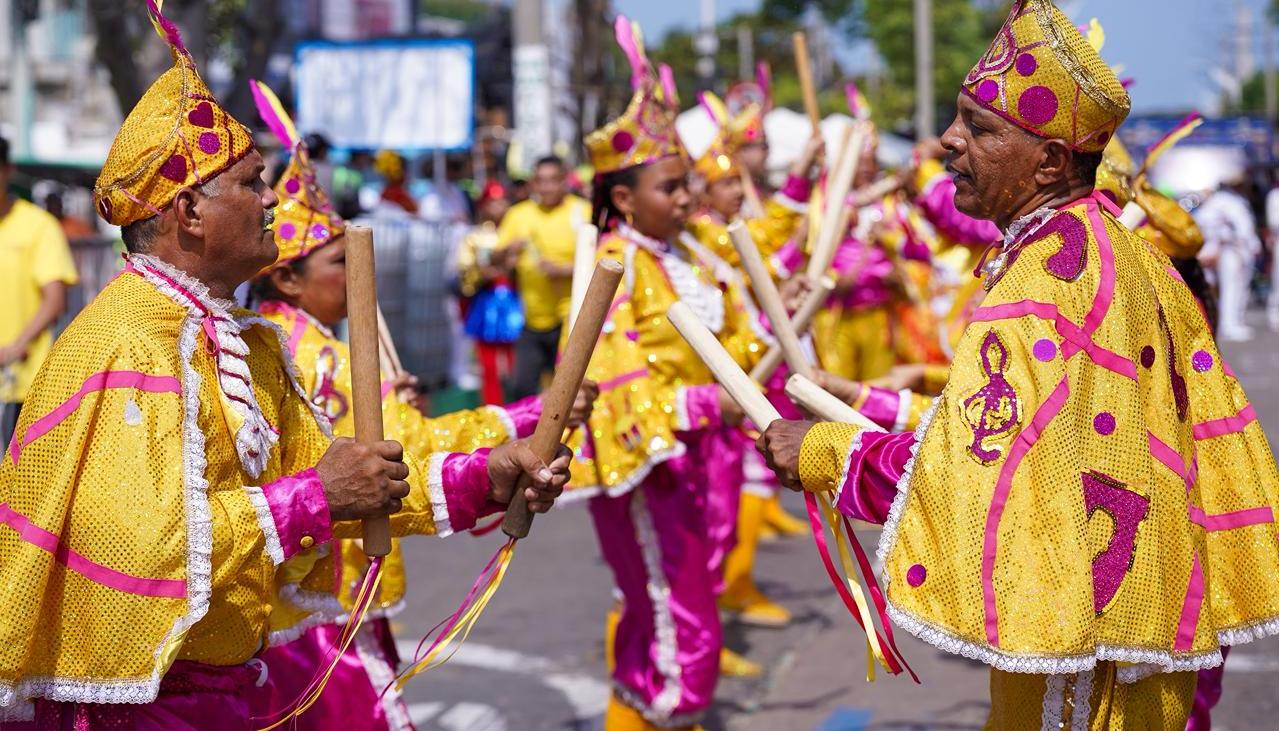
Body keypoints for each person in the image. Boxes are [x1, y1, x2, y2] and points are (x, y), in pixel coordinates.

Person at [0, 6, 569, 727]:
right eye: (251, 183)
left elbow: (347, 471)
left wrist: (486, 474)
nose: (271, 199)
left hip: (229, 687)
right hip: (138, 704)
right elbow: (140, 549)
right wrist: (311, 498)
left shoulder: (239, 337)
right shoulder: (131, 341)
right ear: (190, 212)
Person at [757, 1, 1279, 726]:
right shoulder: (1113, 250)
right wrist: (880, 406)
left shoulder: (1046, 277)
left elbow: (982, 478)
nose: (945, 141)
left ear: (1049, 160)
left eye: (978, 126)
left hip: (1083, 658)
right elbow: (1034, 430)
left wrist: (827, 454)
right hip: (1132, 633)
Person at [241, 85, 596, 728]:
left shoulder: (299, 341)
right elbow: (406, 445)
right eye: (336, 262)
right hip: (323, 592)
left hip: (316, 588)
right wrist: (529, 420)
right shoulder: (303, 353)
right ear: (287, 279)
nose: (353, 273)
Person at [564, 16, 780, 729]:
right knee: (672, 613)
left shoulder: (679, 254)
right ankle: (655, 713)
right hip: (645, 458)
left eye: (688, 184)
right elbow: (610, 382)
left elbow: (736, 342)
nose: (687, 198)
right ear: (623, 198)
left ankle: (664, 711)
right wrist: (704, 401)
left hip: (692, 450)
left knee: (686, 604)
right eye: (671, 187)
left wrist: (775, 337)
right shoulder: (612, 266)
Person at [0, 136, 79, 447]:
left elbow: (55, 299)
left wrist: (16, 345)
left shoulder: (39, 226)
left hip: (21, 382)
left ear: (8, 170)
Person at [498, 155, 592, 399]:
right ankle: (527, 437)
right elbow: (495, 259)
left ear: (564, 181)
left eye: (552, 180)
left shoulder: (582, 212)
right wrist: (507, 252)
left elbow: (602, 262)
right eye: (540, 181)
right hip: (532, 318)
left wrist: (564, 270)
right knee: (521, 388)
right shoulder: (518, 214)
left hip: (570, 318)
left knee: (567, 391)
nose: (546, 187)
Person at [457, 181, 523, 405]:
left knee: (518, 361)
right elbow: (466, 273)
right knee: (488, 363)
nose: (498, 207)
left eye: (502, 201)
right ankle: (494, 408)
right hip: (487, 304)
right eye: (493, 202)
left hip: (516, 301)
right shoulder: (474, 237)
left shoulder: (516, 231)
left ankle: (519, 405)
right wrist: (484, 272)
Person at [1194, 176, 1260, 342]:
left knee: (1236, 288)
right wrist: (1226, 236)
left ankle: (1233, 321)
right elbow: (1206, 222)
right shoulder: (1225, 201)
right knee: (1232, 287)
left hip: (1234, 248)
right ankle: (1229, 324)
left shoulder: (1228, 201)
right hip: (1231, 250)